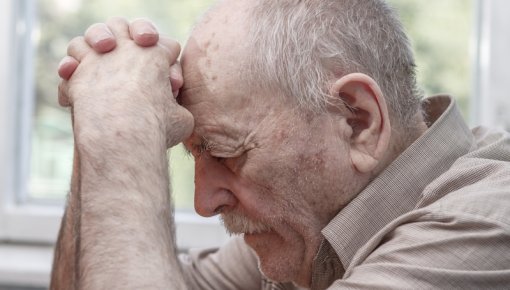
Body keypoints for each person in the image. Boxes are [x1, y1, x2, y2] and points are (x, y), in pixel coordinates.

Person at [50, 0, 510, 289]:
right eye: (195, 154)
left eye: (228, 154)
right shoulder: (308, 225)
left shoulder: (485, 224)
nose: (204, 203)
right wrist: (98, 121)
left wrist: (121, 131)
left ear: (357, 121)